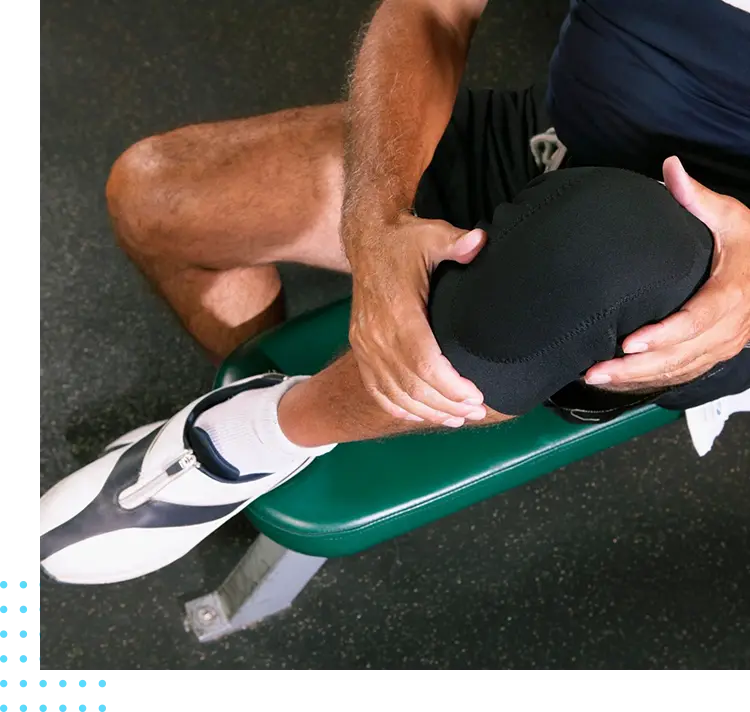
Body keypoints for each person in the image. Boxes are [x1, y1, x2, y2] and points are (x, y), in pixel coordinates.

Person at [40, 0, 749, 584]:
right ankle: (292, 398)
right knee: (158, 193)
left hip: (700, 272)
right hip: (545, 145)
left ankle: (253, 436)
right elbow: (434, 10)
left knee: (605, 245)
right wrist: (376, 220)